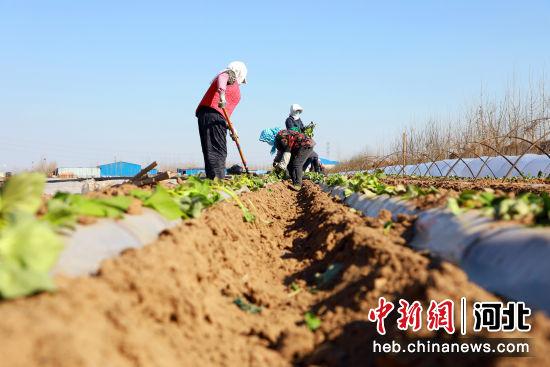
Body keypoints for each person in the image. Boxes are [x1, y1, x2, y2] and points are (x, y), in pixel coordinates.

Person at [196, 61, 248, 179]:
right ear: (240, 72)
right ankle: (216, 181)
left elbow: (226, 112)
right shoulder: (229, 75)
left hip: (215, 116)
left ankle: (214, 179)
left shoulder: (233, 84)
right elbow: (223, 77)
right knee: (217, 150)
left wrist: (232, 128)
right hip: (212, 114)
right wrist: (222, 96)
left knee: (214, 149)